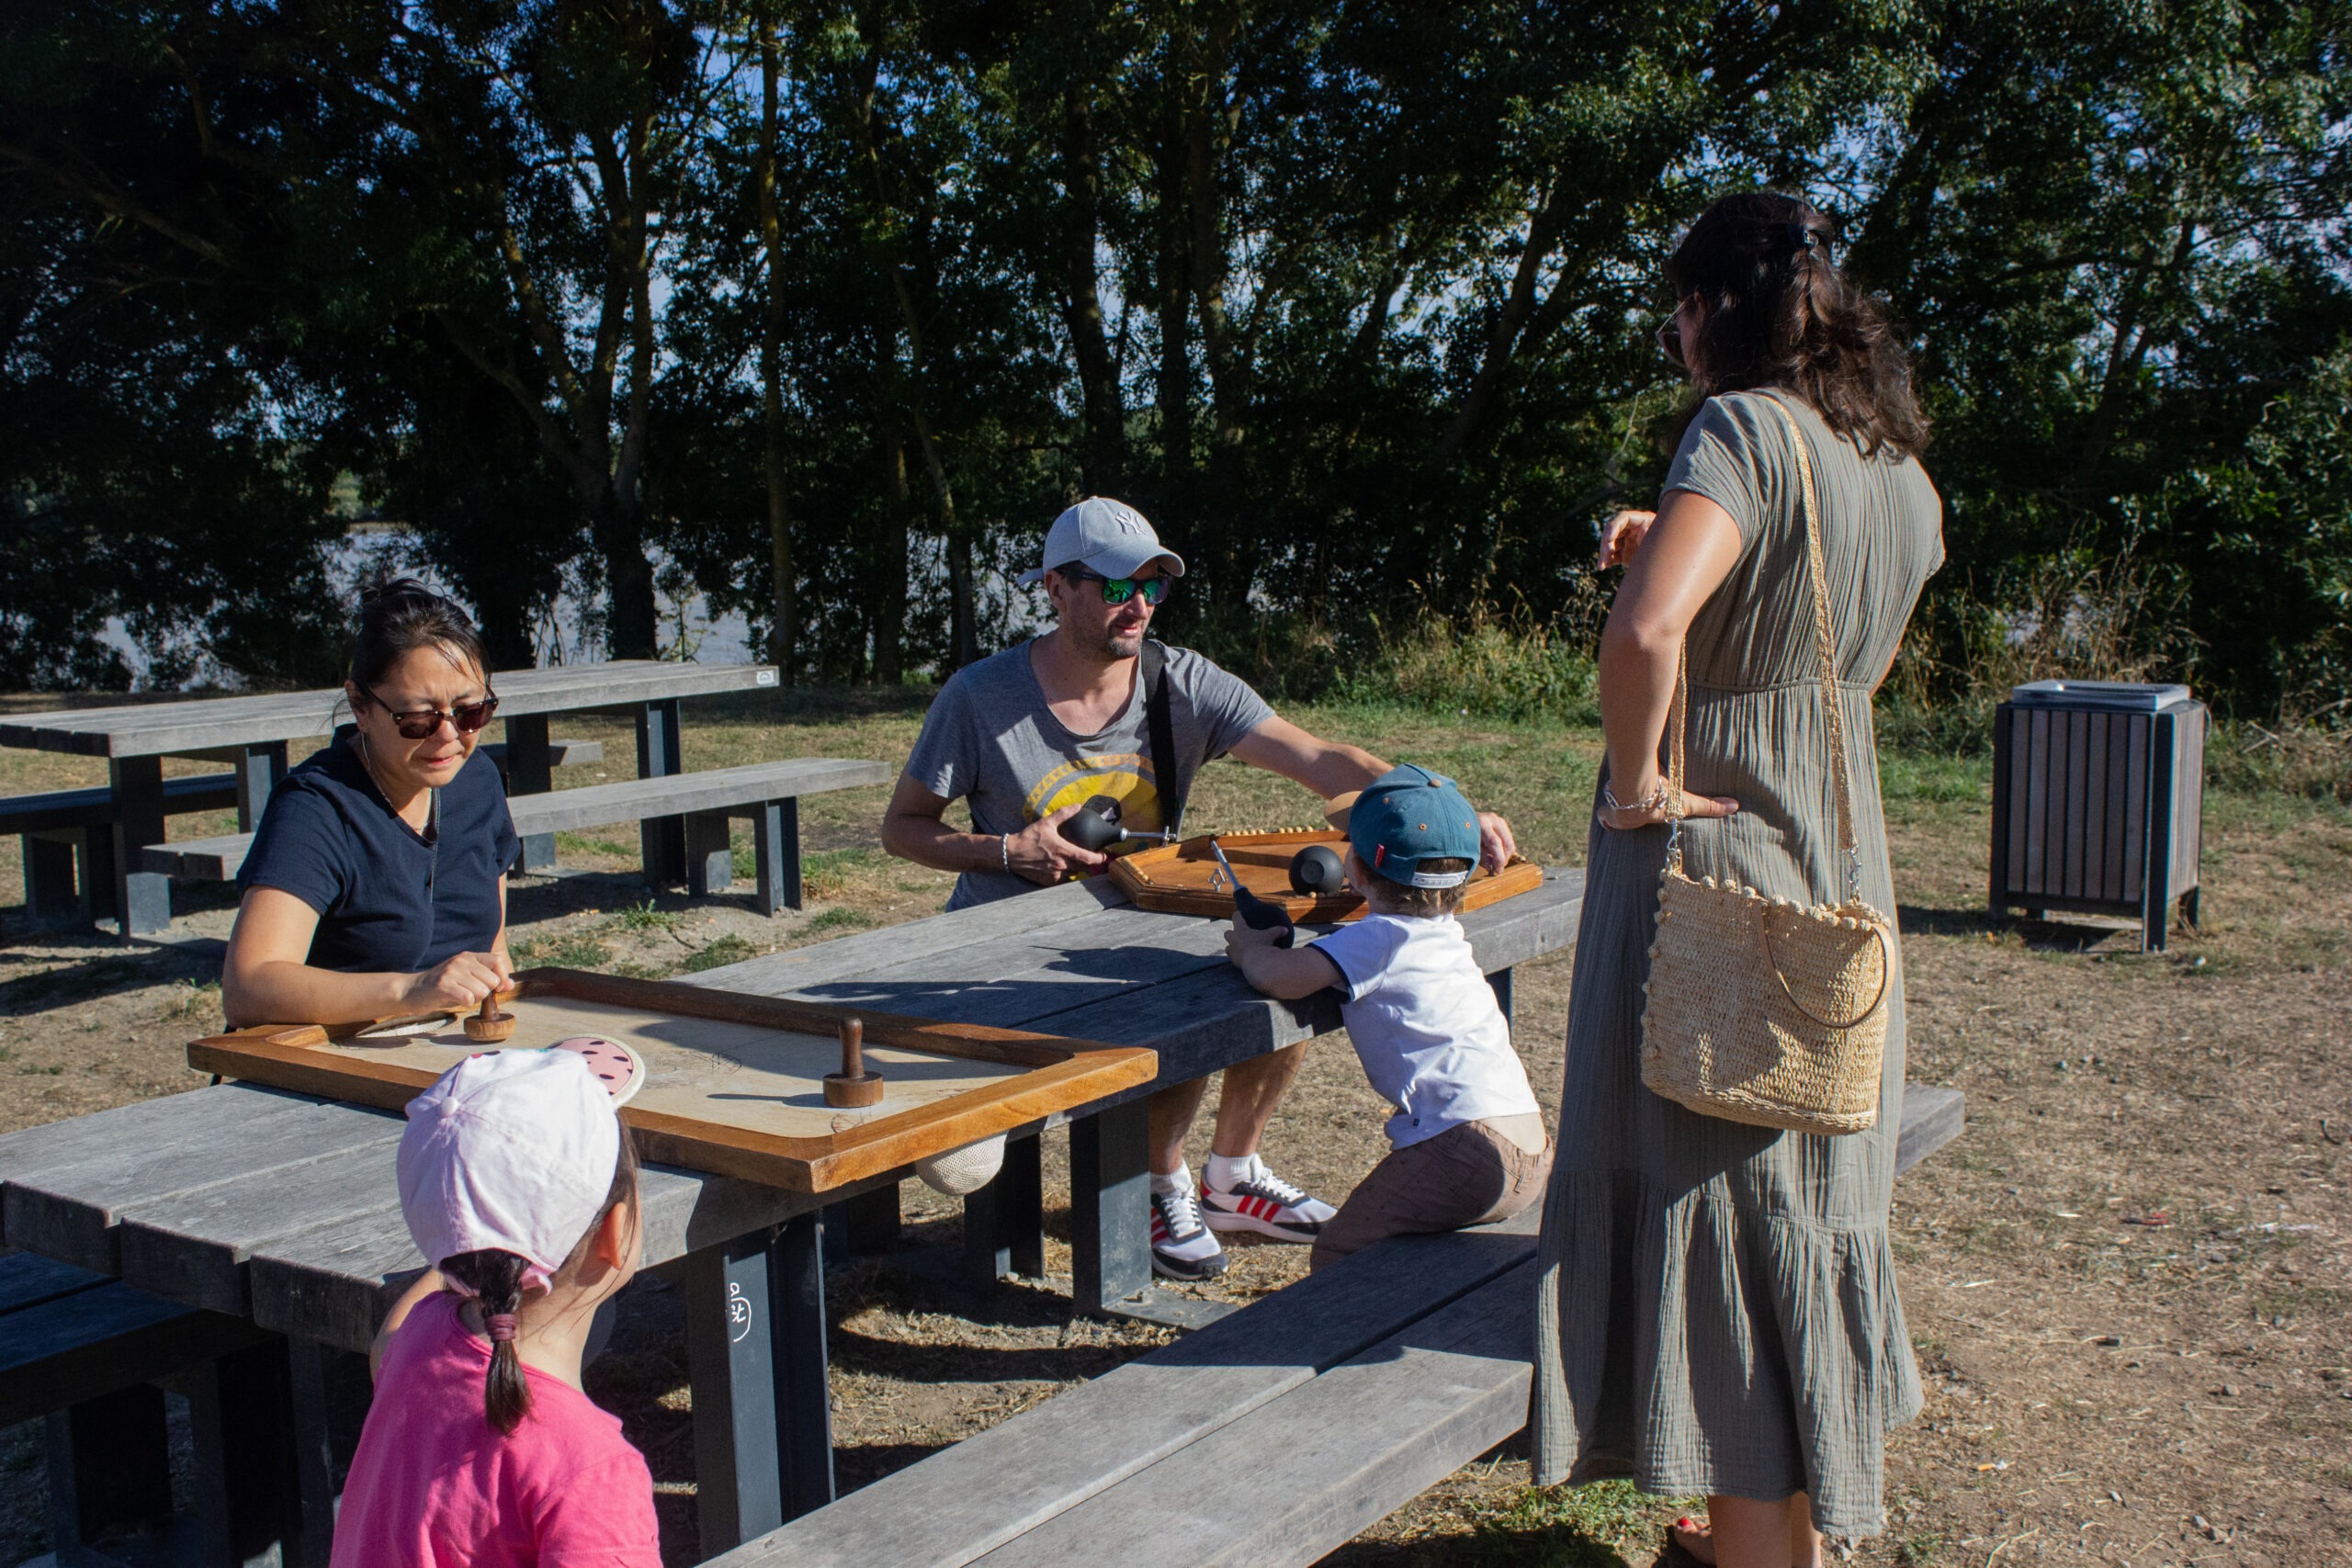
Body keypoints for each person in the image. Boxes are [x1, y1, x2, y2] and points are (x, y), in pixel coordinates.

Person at [1527, 191, 1942, 1567]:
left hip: (1719, 869)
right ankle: (1773, 1539)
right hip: (1840, 861)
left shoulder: (1741, 430)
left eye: (1679, 317)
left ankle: (1759, 1552)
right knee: (1799, 1201)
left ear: (1717, 310)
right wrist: (1681, 544)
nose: (1678, 341)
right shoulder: (1896, 471)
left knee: (1724, 1197)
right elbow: (1841, 658)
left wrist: (1637, 783)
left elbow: (1647, 635)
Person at [882, 497, 1519, 1280]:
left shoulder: (1180, 683)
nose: (1140, 605)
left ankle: (1232, 1177)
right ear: (1056, 588)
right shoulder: (980, 697)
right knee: (1190, 1000)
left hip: (1134, 923)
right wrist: (1009, 849)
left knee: (1280, 959)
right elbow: (903, 828)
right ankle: (1157, 1185)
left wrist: (1438, 811)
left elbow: (1319, 758)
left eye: (1154, 585)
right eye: (1118, 587)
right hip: (1006, 949)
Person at [332, 1047, 659, 1565]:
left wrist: (466, 1244)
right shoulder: (590, 1470)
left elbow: (386, 1342)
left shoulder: (419, 1339)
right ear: (616, 1234)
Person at [1224, 764, 1551, 1270]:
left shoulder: (1378, 939)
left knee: (1338, 1254)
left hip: (1462, 1150)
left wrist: (1249, 950)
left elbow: (1279, 977)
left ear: (1354, 870)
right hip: (1531, 1150)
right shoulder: (1446, 934)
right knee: (1415, 1256)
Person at [221, 580, 519, 1027]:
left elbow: (494, 951)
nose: (449, 735)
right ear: (360, 705)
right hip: (323, 1054)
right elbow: (248, 987)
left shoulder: (476, 779)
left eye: (470, 712)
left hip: (450, 1050)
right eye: (417, 719)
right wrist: (410, 990)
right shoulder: (316, 808)